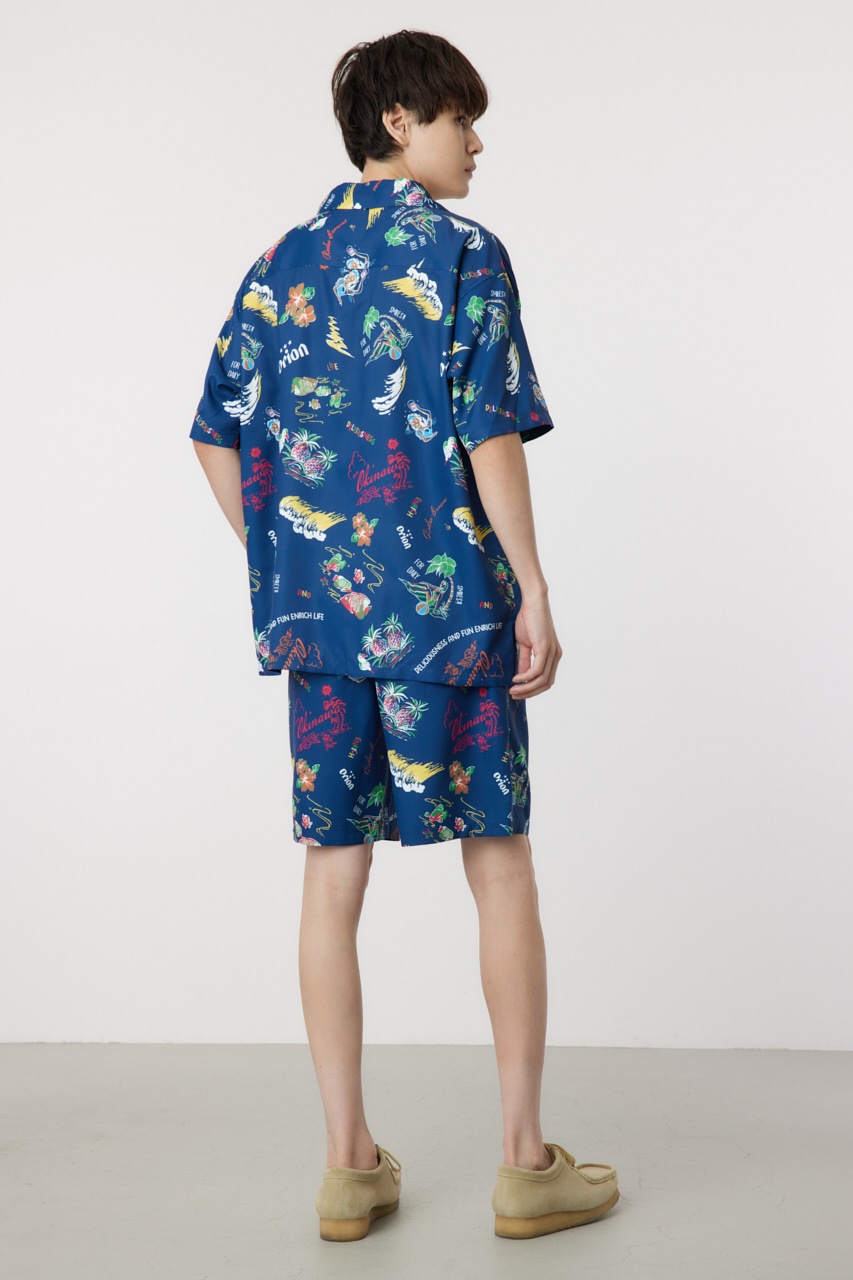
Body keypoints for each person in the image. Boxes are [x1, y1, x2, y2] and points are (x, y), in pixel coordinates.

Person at [190, 29, 619, 1242]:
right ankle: (524, 1164)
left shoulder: (280, 261)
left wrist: (291, 564)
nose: (475, 143)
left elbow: (214, 431)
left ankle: (346, 1166)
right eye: (458, 118)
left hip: (324, 632)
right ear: (397, 122)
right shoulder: (463, 252)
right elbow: (488, 429)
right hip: (452, 617)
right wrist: (531, 585)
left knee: (333, 874)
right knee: (500, 861)